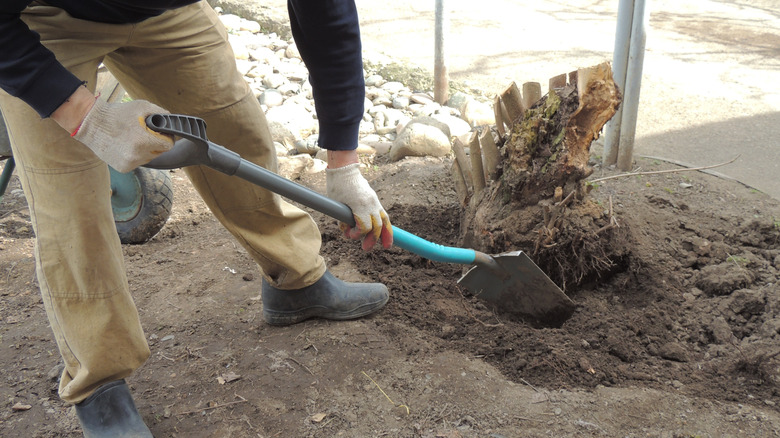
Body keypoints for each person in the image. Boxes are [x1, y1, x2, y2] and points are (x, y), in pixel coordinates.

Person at [0, 1, 392, 436]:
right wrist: (85, 117)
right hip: (39, 18)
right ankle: (100, 382)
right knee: (70, 202)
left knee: (237, 130)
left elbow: (326, 13)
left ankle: (296, 281)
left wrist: (344, 160)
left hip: (165, 14)